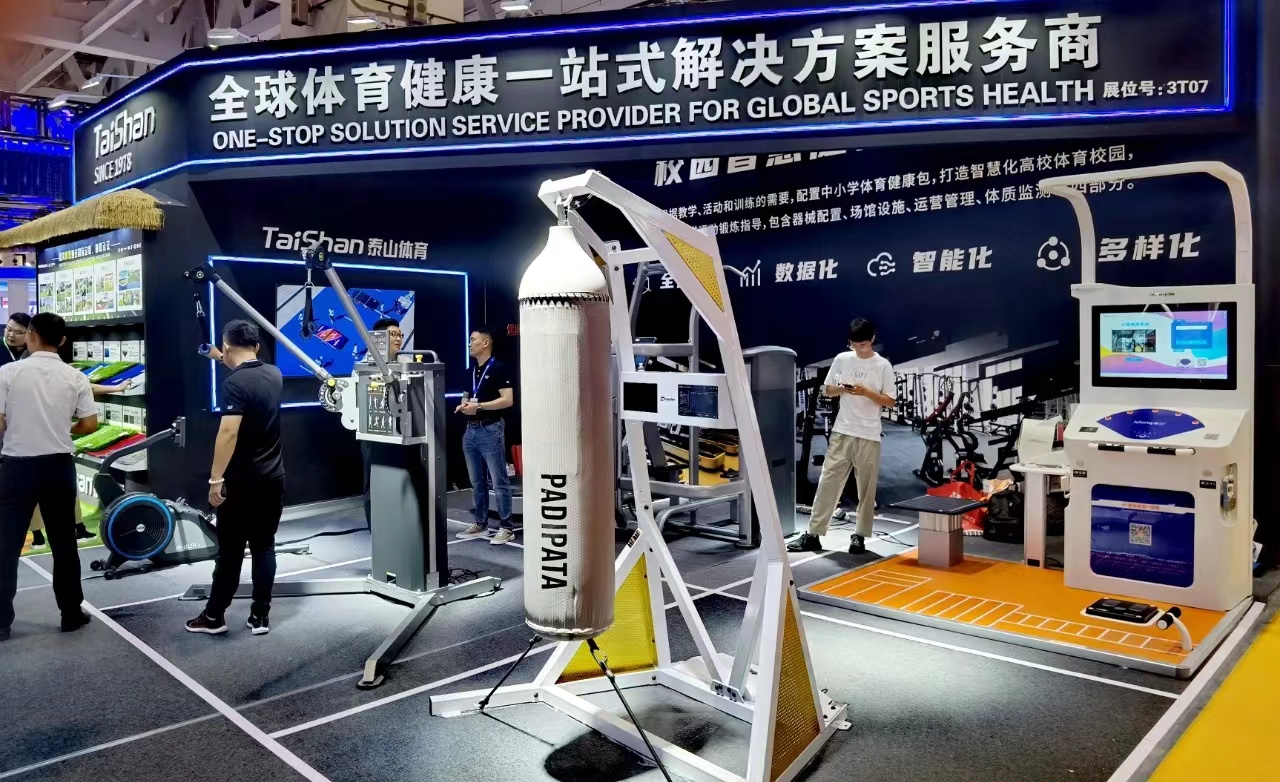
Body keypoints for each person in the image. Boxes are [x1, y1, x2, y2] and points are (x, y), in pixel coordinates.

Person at [0, 312, 98, 640]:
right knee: (64, 543)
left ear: (30, 335)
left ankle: (1, 622)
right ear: (63, 341)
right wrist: (61, 429)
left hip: (17, 466)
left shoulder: (8, 372)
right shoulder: (75, 376)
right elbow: (89, 425)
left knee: (6, 545)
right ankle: (71, 613)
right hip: (59, 466)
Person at [186, 320, 285, 636]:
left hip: (242, 484)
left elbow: (228, 432)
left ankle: (214, 616)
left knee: (229, 552)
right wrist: (219, 357)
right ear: (256, 346)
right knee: (264, 548)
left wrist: (215, 479)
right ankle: (260, 616)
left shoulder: (234, 384)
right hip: (272, 478)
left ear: (228, 346)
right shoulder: (274, 374)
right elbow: (248, 373)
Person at [789, 318, 896, 555]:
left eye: (863, 345)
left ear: (873, 340)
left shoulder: (883, 366)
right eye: (854, 345)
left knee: (866, 489)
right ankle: (813, 534)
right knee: (828, 481)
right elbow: (828, 390)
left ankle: (860, 536)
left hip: (869, 434)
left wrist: (866, 392)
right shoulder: (842, 359)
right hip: (842, 430)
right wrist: (844, 389)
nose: (859, 350)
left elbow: (889, 401)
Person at [454, 327, 516, 545]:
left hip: (491, 429)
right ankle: (481, 523)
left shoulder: (499, 368)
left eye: (473, 340)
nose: (469, 343)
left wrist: (479, 406)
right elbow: (465, 397)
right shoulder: (469, 371)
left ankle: (506, 527)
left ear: (486, 343)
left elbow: (507, 400)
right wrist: (464, 406)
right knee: (476, 481)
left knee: (499, 481)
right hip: (470, 431)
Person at [361, 317, 403, 527]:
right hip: (373, 435)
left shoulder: (405, 364)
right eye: (393, 334)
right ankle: (376, 529)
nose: (398, 339)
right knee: (373, 482)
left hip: (400, 434)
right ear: (379, 337)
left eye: (399, 334)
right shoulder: (365, 367)